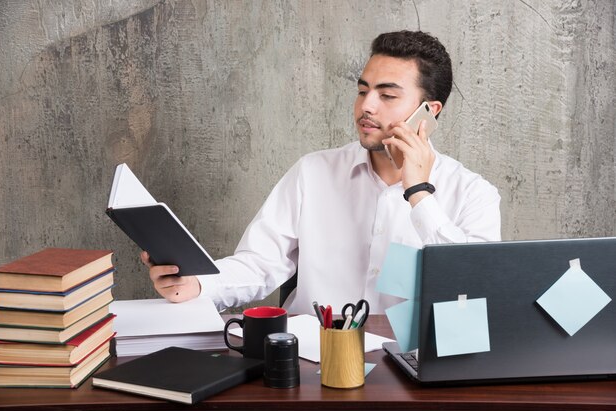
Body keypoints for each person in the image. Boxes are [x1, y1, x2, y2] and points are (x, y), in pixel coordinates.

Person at [141, 30, 501, 314]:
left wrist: (420, 192)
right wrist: (199, 285)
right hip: (310, 367)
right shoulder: (313, 173)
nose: (367, 107)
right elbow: (259, 263)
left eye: (387, 96)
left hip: (411, 372)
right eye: (363, 91)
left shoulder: (472, 194)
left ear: (429, 111)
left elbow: (474, 288)